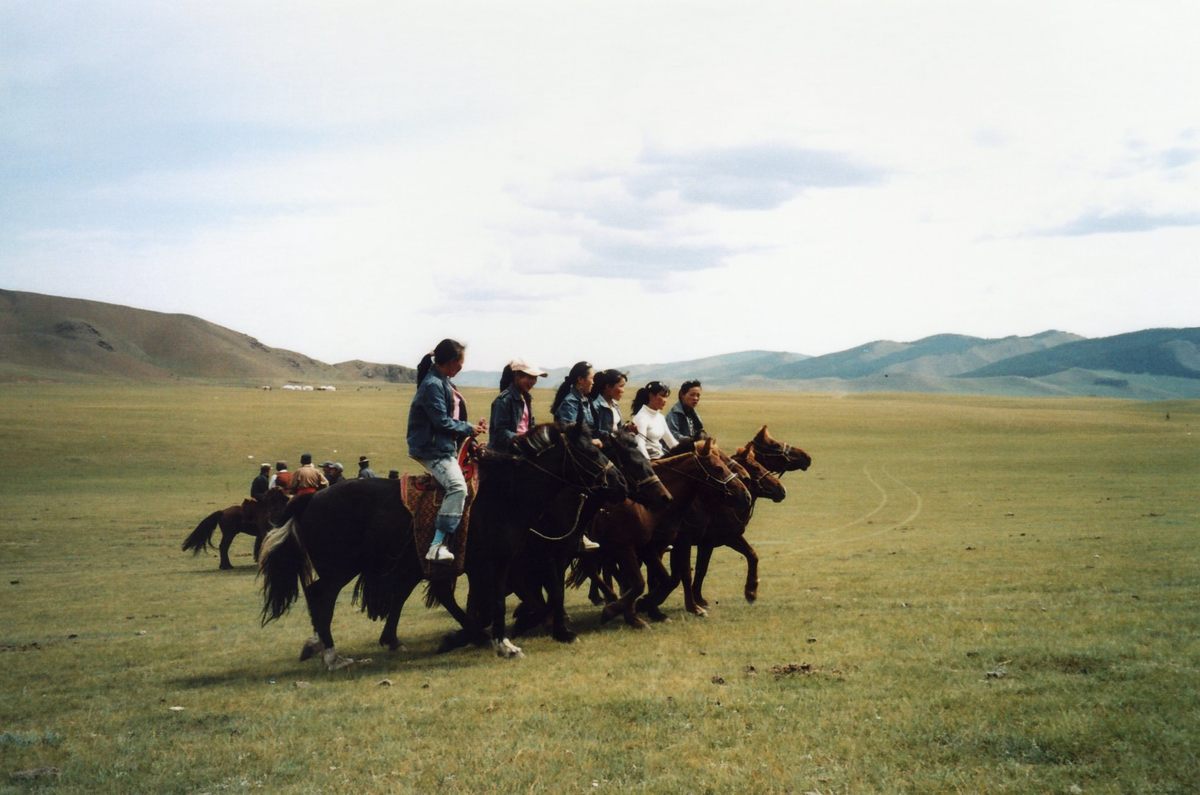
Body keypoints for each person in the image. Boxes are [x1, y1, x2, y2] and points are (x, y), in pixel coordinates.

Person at [407, 338, 487, 563]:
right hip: (432, 449)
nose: (462, 368)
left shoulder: (444, 382)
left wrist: (471, 431)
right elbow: (441, 422)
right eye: (460, 363)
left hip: (443, 447)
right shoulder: (433, 384)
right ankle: (437, 545)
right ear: (452, 362)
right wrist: (468, 427)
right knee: (457, 488)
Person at [490, 358, 547, 451]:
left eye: (535, 378)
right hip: (505, 453)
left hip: (522, 448)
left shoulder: (526, 398)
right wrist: (522, 439)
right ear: (517, 376)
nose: (533, 382)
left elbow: (530, 426)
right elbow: (500, 433)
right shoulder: (504, 400)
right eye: (530, 377)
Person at [631, 381, 679, 460]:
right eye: (663, 396)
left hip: (660, 457)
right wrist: (649, 466)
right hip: (649, 462)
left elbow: (671, 442)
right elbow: (640, 445)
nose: (665, 400)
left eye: (666, 397)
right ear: (651, 396)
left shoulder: (660, 417)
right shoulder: (641, 417)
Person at [551, 361, 597, 432]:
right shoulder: (570, 402)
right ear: (580, 379)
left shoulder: (585, 399)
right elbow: (569, 433)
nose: (593, 382)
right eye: (592, 378)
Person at [590, 368, 628, 436]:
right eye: (621, 386)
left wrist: (627, 428)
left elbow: (618, 429)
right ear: (608, 387)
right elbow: (595, 433)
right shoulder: (595, 407)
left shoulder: (615, 405)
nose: (623, 390)